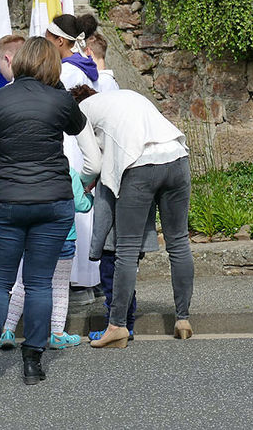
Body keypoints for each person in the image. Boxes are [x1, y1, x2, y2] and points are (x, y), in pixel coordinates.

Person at [0, 37, 100, 387]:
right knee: (39, 284)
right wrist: (80, 185)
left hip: (7, 201)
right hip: (53, 202)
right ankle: (33, 363)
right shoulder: (62, 101)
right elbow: (93, 159)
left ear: (18, 61)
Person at [71, 86, 194, 348]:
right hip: (177, 157)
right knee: (179, 242)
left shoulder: (80, 111)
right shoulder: (125, 95)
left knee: (125, 249)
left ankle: (117, 327)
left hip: (140, 167)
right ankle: (183, 319)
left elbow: (93, 163)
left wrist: (83, 183)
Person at [0, 168, 92, 350]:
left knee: (23, 284)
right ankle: (57, 334)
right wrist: (88, 196)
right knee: (60, 287)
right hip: (64, 238)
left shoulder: (25, 172)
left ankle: (8, 331)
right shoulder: (68, 172)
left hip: (33, 237)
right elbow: (81, 205)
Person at [45, 13, 101, 297]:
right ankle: (90, 276)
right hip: (84, 143)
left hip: (69, 142)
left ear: (59, 41)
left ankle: (74, 280)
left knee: (72, 208)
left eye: (47, 38)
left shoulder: (66, 72)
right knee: (82, 209)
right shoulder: (88, 67)